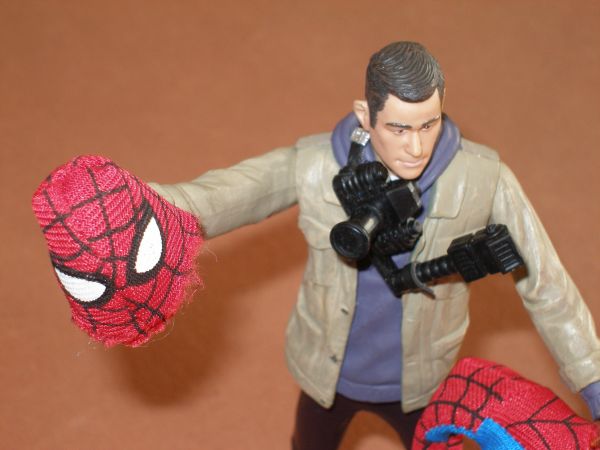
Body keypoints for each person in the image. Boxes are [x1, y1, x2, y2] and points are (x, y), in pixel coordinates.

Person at [149, 41, 600, 449]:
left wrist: (593, 382)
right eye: (399, 129)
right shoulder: (317, 164)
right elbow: (236, 192)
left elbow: (546, 284)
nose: (416, 147)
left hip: (422, 382)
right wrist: (147, 206)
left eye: (429, 125)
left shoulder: (483, 178)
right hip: (327, 372)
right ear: (366, 116)